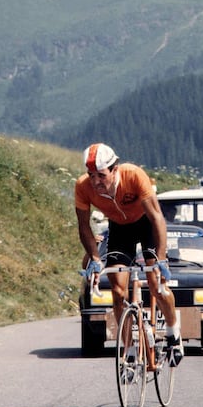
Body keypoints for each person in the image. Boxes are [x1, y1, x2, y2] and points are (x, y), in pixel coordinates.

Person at [75, 143, 183, 366]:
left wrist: (161, 259)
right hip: (119, 229)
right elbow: (84, 226)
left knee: (157, 285)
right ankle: (130, 349)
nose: (95, 182)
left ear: (115, 169)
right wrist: (95, 258)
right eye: (91, 175)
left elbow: (157, 218)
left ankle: (174, 334)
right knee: (117, 290)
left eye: (101, 175)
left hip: (146, 225)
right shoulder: (83, 187)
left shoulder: (133, 175)